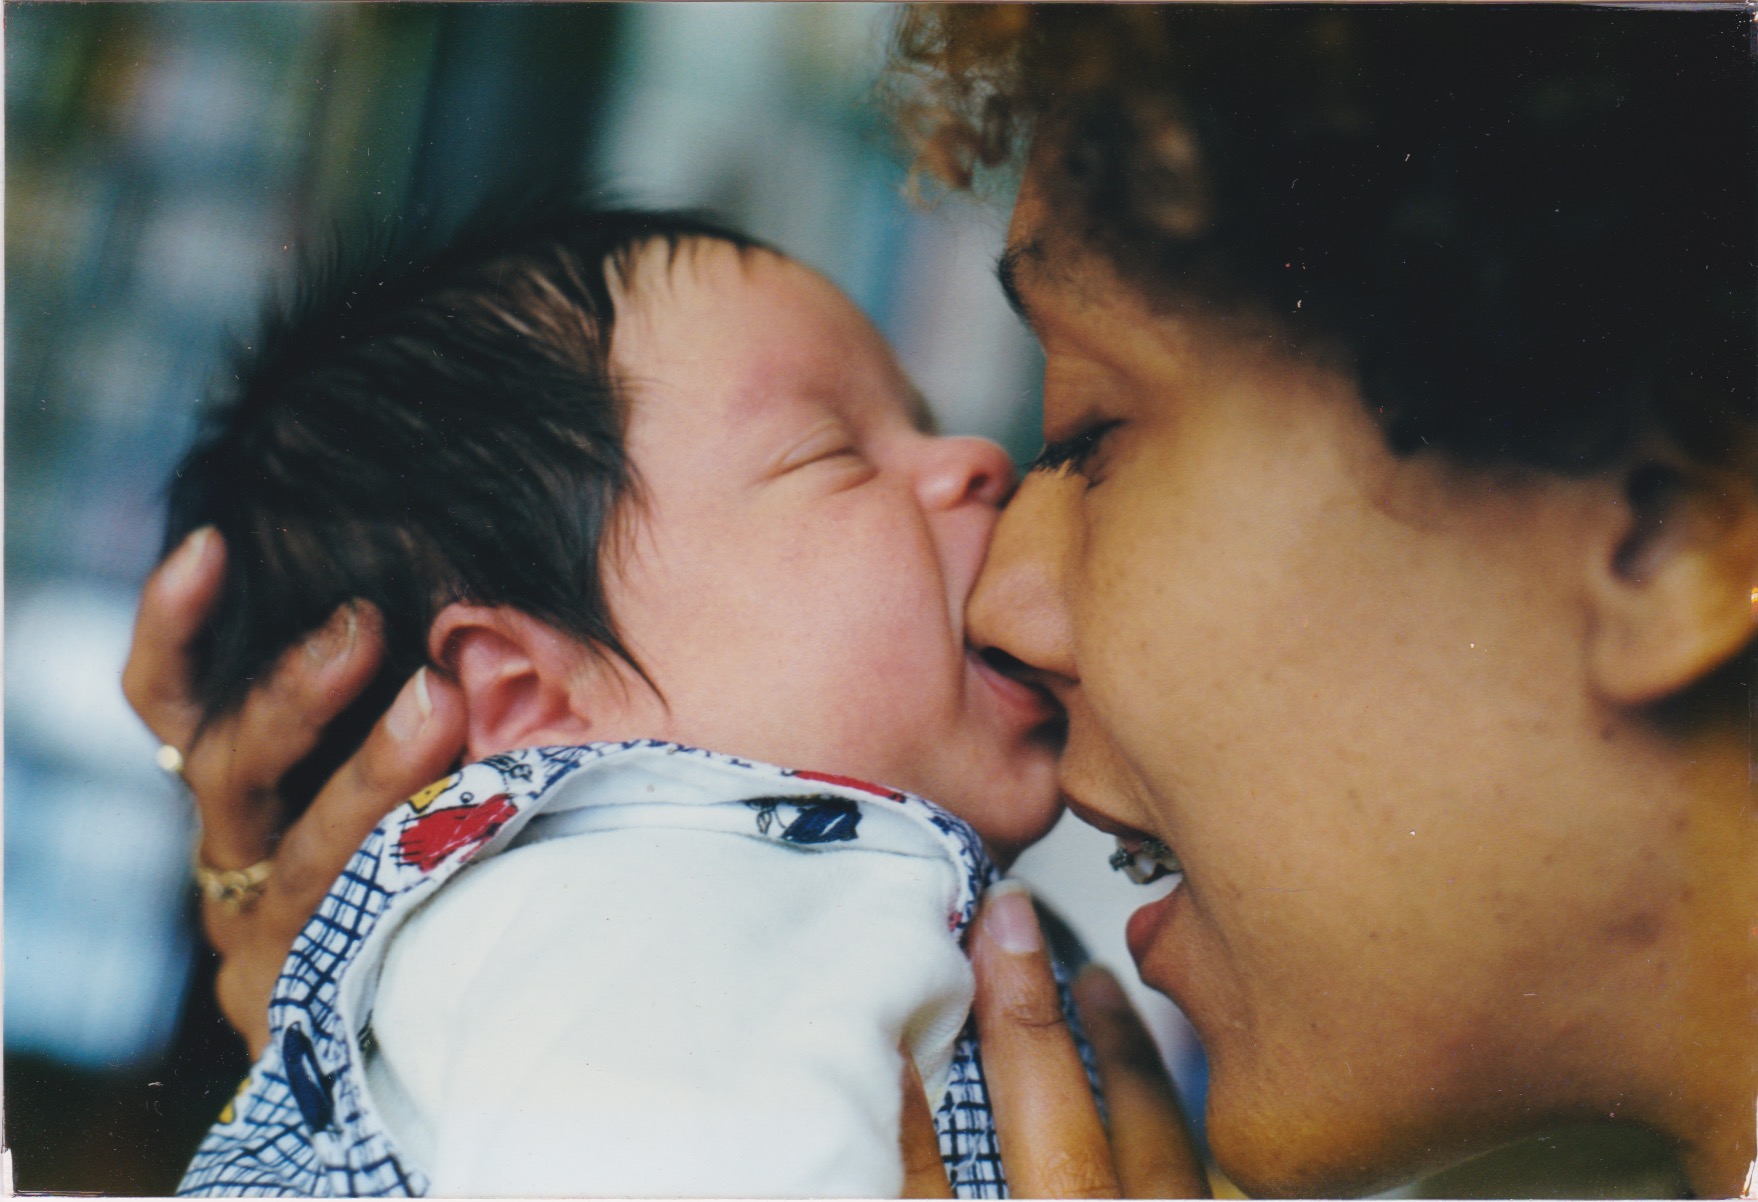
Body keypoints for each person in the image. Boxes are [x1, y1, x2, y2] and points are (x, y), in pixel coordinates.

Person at [125, 5, 1755, 1198]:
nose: (1012, 573)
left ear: (1665, 533)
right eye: (839, 455)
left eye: (1093, 437)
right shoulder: (641, 912)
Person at [155, 203, 1120, 1197]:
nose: (977, 456)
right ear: (530, 694)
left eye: (920, 421)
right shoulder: (646, 920)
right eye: (833, 452)